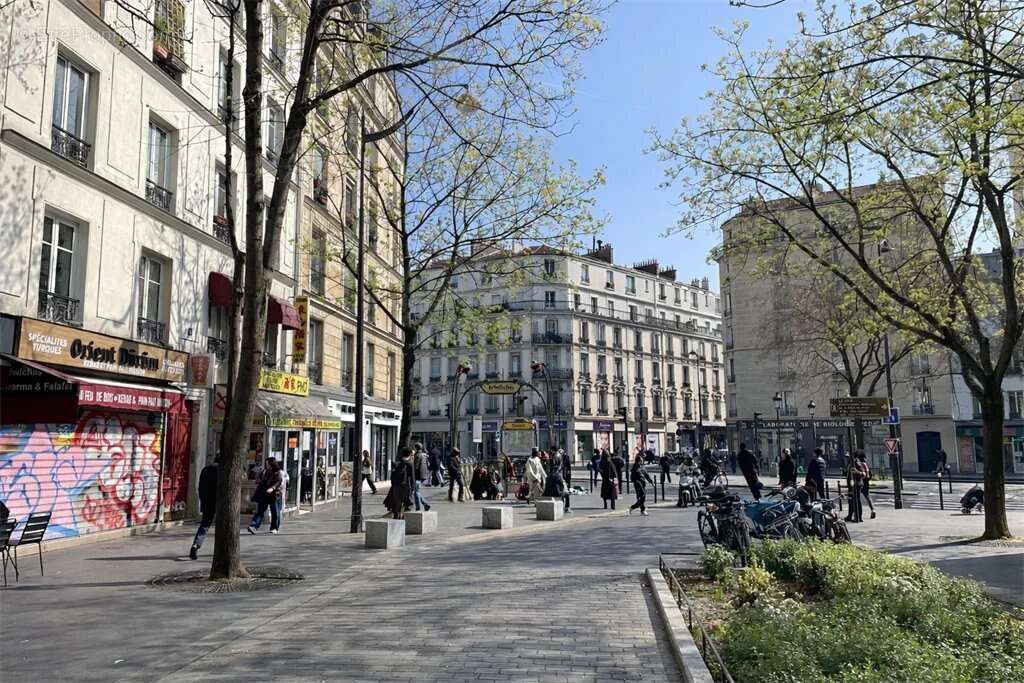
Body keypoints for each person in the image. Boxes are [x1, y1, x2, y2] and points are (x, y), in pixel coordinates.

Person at [189, 459, 218, 559]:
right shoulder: (222, 471)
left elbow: (200, 487)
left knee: (205, 525)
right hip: (219, 502)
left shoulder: (205, 470)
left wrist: (203, 500)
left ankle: (196, 545)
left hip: (207, 501)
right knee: (223, 527)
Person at [247, 457, 284, 534]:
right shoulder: (265, 471)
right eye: (266, 464)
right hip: (265, 494)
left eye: (268, 464)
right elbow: (260, 480)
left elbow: (279, 481)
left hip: (274, 494)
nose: (267, 465)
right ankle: (253, 526)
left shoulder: (278, 472)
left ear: (272, 464)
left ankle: (274, 527)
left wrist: (272, 488)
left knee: (275, 512)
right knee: (260, 511)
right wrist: (257, 479)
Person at [386, 447, 415, 519]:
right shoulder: (410, 464)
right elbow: (412, 477)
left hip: (396, 486)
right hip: (406, 486)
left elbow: (392, 476)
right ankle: (404, 520)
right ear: (410, 454)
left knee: (397, 504)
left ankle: (396, 519)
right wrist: (413, 488)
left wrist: (393, 485)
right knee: (407, 504)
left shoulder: (397, 463)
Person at [845, 451, 865, 523]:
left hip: (856, 485)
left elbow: (863, 474)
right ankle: (850, 515)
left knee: (857, 500)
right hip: (852, 485)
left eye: (848, 456)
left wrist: (857, 471)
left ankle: (859, 516)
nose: (847, 458)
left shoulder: (856, 463)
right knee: (851, 500)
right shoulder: (852, 463)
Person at [855, 451, 876, 519]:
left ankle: (857, 513)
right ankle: (873, 510)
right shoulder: (865, 463)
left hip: (861, 482)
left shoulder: (861, 464)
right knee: (867, 496)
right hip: (865, 482)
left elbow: (866, 474)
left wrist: (862, 478)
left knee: (857, 497)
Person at [412, 443, 431, 512]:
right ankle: (426, 504)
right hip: (423, 476)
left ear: (416, 448)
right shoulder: (424, 455)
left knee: (416, 492)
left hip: (417, 476)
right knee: (416, 492)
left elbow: (415, 467)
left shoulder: (417, 456)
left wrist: (412, 475)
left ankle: (418, 507)